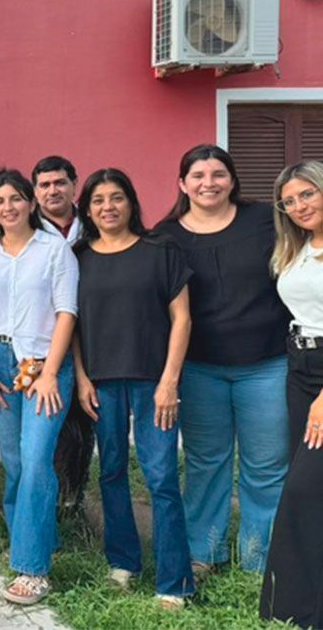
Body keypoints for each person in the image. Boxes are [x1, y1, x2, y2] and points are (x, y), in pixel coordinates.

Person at [154, 144, 290, 574]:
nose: (208, 183)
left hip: (267, 365)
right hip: (199, 370)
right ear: (182, 184)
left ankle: (259, 561)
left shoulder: (266, 220)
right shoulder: (165, 236)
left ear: (232, 180)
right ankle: (205, 552)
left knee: (265, 466)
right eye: (197, 176)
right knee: (205, 463)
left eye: (218, 174)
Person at [71, 168, 195, 609]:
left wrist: (169, 380)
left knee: (161, 477)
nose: (108, 207)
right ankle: (123, 561)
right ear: (87, 210)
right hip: (101, 382)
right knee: (110, 472)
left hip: (152, 381)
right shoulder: (77, 257)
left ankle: (174, 581)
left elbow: (182, 318)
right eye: (98, 200)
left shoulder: (160, 250)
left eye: (116, 197)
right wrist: (81, 378)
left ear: (131, 202)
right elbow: (71, 322)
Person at [0, 169, 78, 605]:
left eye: (16, 198)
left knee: (35, 459)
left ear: (31, 203)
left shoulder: (54, 249)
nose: (8, 207)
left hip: (43, 363)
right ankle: (32, 539)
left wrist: (51, 372)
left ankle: (32, 569)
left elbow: (67, 312)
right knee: (14, 462)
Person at [262, 160, 323, 627]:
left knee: (305, 485)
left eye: (308, 194)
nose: (299, 206)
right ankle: (298, 607)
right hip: (299, 368)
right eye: (289, 202)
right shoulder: (297, 247)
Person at [31, 155, 94, 516]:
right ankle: (49, 500)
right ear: (35, 191)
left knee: (84, 423)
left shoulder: (93, 224)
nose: (52, 190)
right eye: (44, 185)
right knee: (49, 423)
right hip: (46, 340)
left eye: (59, 183)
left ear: (74, 185)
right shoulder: (27, 229)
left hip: (94, 335)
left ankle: (74, 497)